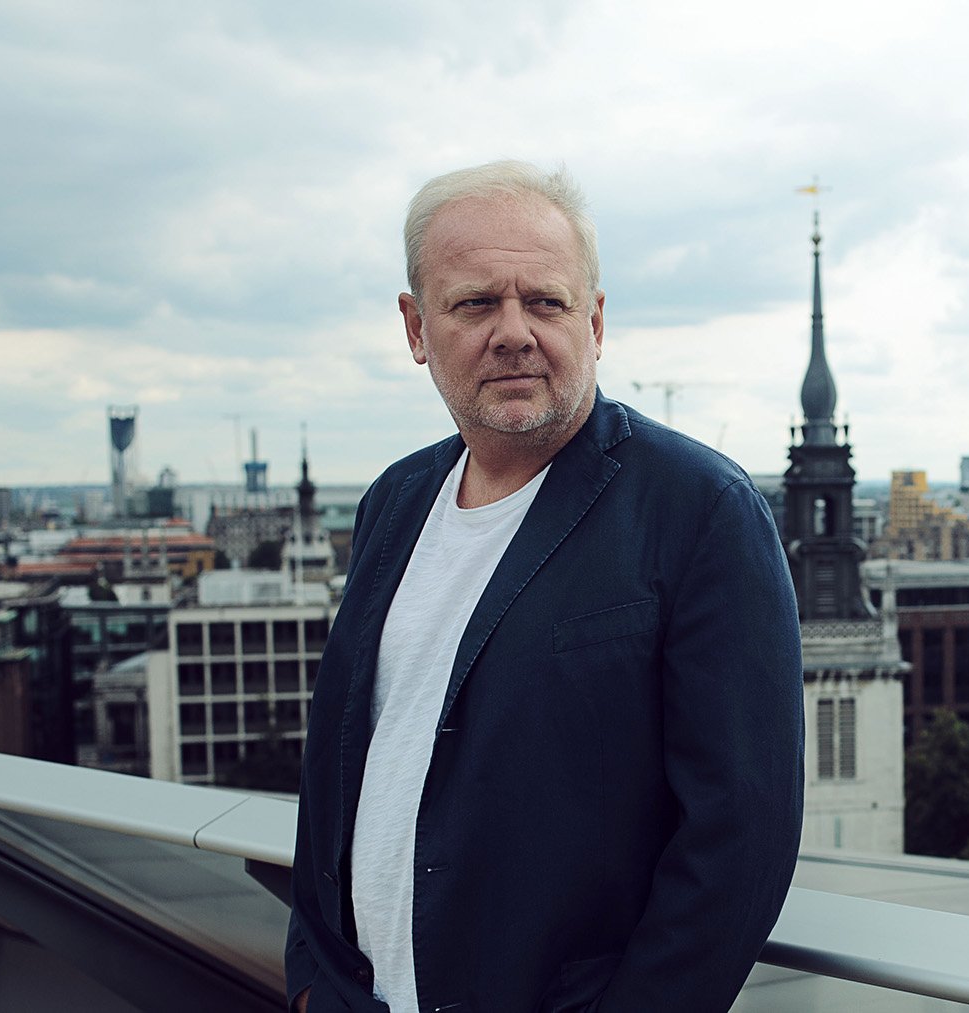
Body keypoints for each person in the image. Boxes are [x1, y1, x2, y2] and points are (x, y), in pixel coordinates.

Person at [286, 161, 805, 1012]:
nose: (514, 332)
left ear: (593, 321)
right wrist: (313, 979)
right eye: (474, 303)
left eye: (545, 301)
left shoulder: (700, 509)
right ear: (416, 328)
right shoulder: (394, 501)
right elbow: (337, 768)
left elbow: (739, 839)